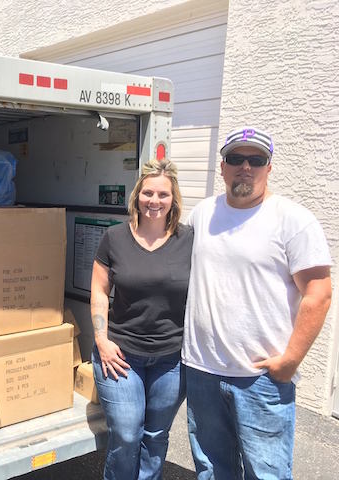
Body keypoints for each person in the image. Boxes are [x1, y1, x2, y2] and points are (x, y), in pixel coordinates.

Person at [182, 127, 332, 479]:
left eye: (256, 159)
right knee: (211, 469)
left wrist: (291, 360)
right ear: (222, 167)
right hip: (203, 370)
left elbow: (319, 292)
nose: (245, 167)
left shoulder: (292, 220)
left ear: (268, 167)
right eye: (236, 158)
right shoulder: (202, 214)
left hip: (261, 377)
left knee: (266, 474)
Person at [91, 158, 193, 480]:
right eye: (148, 193)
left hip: (171, 360)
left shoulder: (189, 240)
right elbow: (98, 290)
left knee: (155, 436)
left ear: (173, 199)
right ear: (137, 196)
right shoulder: (115, 238)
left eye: (163, 194)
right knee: (127, 433)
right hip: (121, 355)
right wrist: (101, 340)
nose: (155, 201)